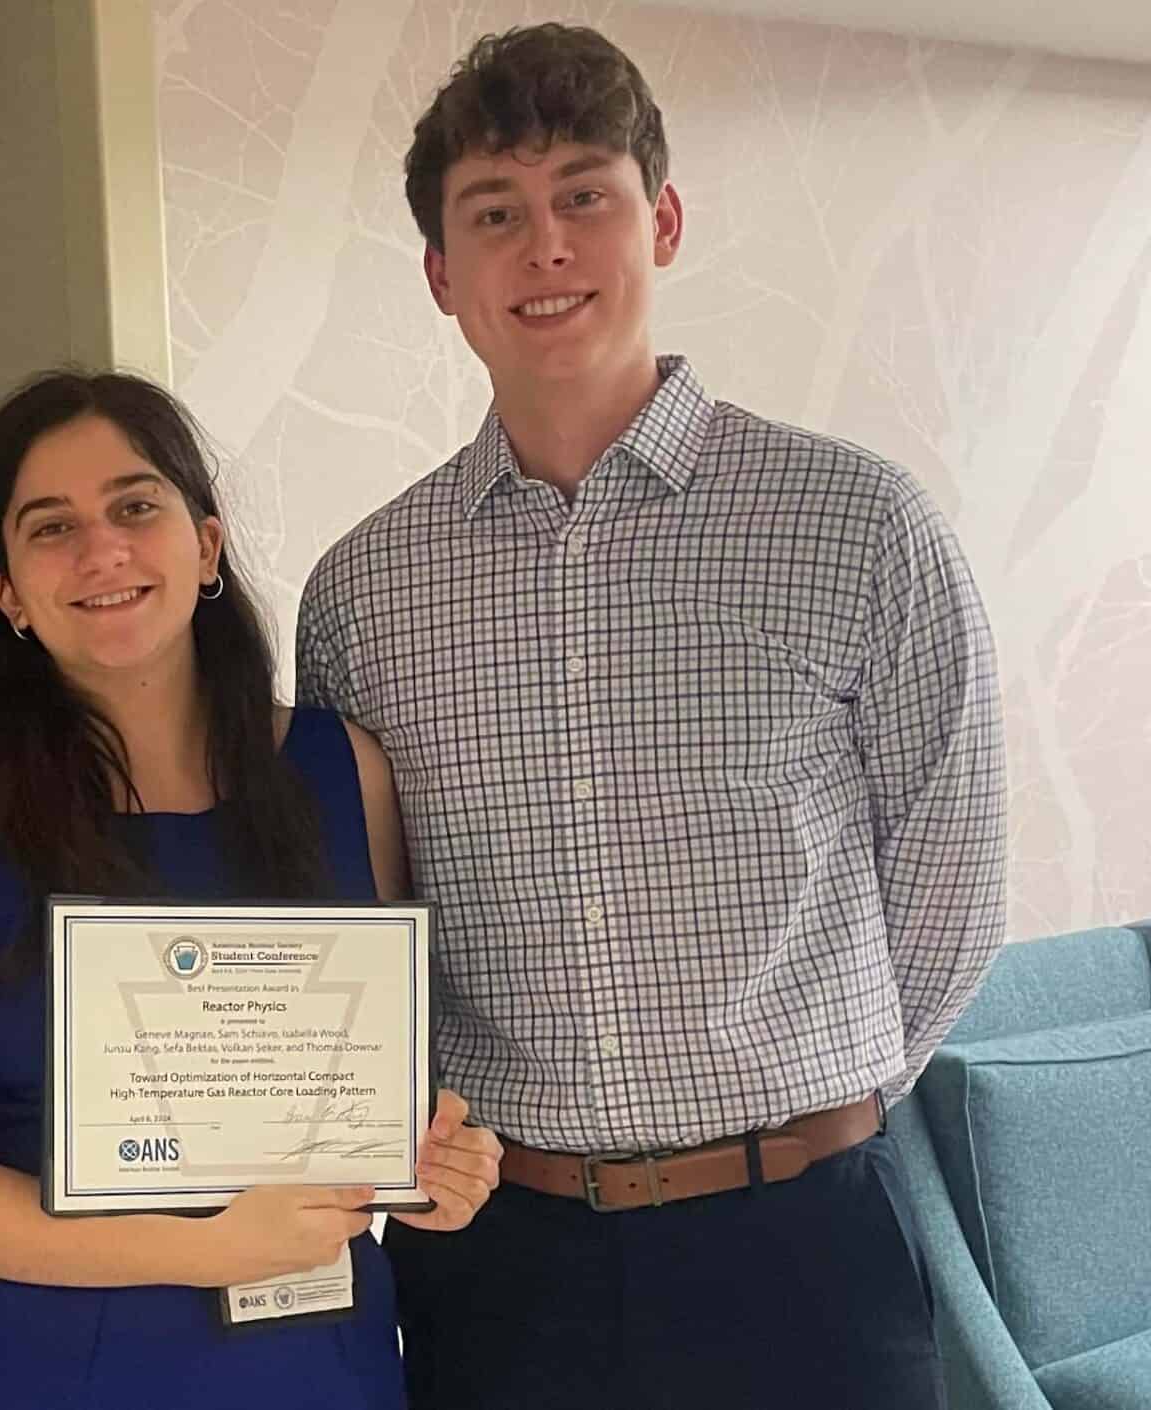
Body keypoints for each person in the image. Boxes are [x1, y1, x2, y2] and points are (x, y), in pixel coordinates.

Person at [296, 24, 1007, 1410]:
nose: (544, 245)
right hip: (506, 1264)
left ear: (661, 220)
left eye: (584, 196)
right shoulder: (362, 594)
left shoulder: (857, 528)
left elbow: (952, 884)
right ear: (444, 277)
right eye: (494, 215)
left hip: (802, 1241)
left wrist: (806, 1104)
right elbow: (367, 919)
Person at [0, 370, 502, 1410]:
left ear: (206, 544)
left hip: (317, 1363)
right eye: (49, 527)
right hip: (57, 1369)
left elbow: (375, 1102)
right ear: (6, 591)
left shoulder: (346, 771)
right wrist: (197, 1249)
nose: (101, 550)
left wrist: (435, 1171)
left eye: (135, 506)